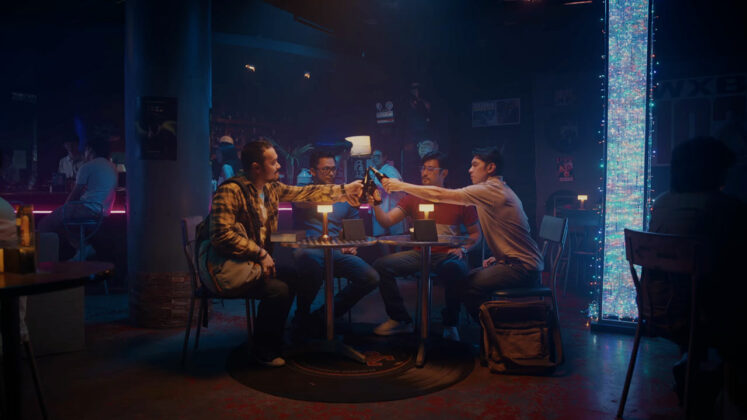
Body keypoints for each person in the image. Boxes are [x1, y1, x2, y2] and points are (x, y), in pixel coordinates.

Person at [204, 139, 363, 367]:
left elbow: (306, 193)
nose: (279, 166)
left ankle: (282, 333)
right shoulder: (230, 191)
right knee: (278, 289)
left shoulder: (271, 188)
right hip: (229, 267)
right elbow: (221, 235)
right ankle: (263, 349)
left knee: (294, 274)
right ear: (256, 167)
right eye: (274, 162)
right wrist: (260, 254)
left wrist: (346, 190)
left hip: (252, 264)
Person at [382, 146, 543, 324]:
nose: (470, 170)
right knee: (464, 280)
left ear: (490, 168)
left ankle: (500, 330)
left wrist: (400, 185)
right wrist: (501, 257)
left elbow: (439, 195)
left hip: (522, 268)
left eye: (475, 165)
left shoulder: (491, 190)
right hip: (516, 263)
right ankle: (494, 329)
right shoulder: (496, 190)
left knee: (465, 284)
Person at [647, 136, 745, 410]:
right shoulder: (727, 208)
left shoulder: (661, 203)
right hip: (698, 315)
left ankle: (693, 366)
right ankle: (720, 387)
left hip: (655, 309)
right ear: (714, 170)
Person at [371, 151, 481, 340]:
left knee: (455, 269)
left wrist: (463, 249)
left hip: (447, 254)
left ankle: (451, 322)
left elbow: (476, 234)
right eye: (423, 168)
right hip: (420, 254)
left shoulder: (458, 198)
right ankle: (400, 319)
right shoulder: (413, 197)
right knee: (381, 265)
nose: (424, 173)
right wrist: (375, 202)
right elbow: (387, 221)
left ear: (444, 173)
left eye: (430, 169)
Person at [292, 150, 379, 336]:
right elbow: (299, 202)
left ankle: (323, 316)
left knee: (371, 277)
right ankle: (301, 316)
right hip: (310, 249)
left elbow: (353, 227)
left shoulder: (345, 196)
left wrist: (351, 243)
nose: (331, 173)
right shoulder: (305, 192)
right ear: (313, 171)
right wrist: (334, 194)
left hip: (336, 251)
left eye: (333, 169)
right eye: (325, 169)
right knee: (309, 262)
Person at [37, 137, 117, 260]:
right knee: (63, 223)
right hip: (103, 212)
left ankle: (46, 263)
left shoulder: (88, 166)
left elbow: (75, 194)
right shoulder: (112, 167)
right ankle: (82, 248)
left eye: (85, 150)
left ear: (90, 150)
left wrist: (64, 209)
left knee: (44, 225)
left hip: (86, 209)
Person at [369, 149, 405, 236]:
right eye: (373, 156)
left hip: (393, 209)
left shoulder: (391, 170)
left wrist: (380, 186)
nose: (375, 158)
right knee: (379, 237)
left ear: (384, 157)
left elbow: (395, 188)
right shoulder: (372, 171)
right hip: (379, 209)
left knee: (396, 237)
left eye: (378, 156)